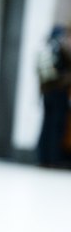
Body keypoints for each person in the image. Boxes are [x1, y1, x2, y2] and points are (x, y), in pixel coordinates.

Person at [36, 24, 71, 168]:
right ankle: (54, 158)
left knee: (46, 125)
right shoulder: (61, 47)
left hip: (46, 92)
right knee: (57, 126)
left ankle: (43, 157)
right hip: (59, 91)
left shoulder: (46, 47)